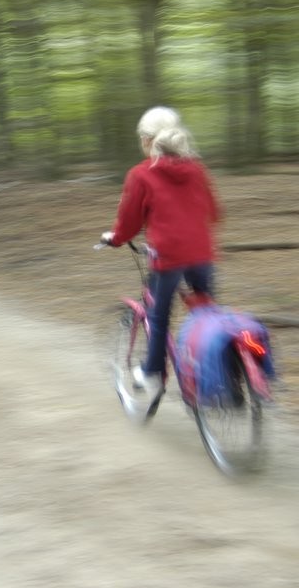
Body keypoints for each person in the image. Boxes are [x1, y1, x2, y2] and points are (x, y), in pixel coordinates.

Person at [101, 106, 222, 407]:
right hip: (203, 254)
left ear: (147, 140)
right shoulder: (197, 169)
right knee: (206, 314)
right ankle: (217, 373)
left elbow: (129, 223)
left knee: (159, 314)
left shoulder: (141, 174)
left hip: (168, 258)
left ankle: (152, 370)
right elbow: (214, 213)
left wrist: (115, 239)